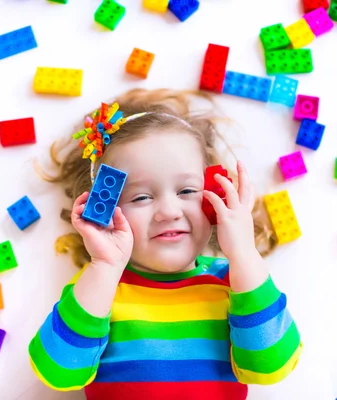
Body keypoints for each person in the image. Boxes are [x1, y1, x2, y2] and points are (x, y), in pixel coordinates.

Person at [29, 89, 302, 400]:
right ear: (103, 211)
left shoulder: (235, 282)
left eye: (187, 190)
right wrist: (104, 266)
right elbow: (57, 371)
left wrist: (243, 253)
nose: (170, 212)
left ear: (215, 195)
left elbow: (271, 366)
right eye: (141, 197)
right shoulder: (100, 288)